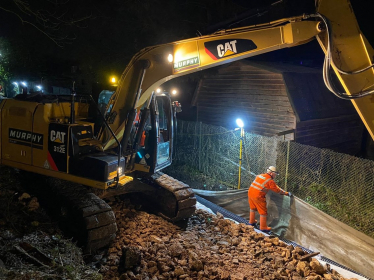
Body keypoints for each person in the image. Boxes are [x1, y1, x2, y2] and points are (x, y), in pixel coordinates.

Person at [248, 166, 291, 232]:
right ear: (271, 173)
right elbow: (277, 190)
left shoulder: (260, 175)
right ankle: (263, 227)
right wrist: (286, 193)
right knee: (263, 212)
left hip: (250, 193)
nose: (275, 175)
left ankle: (251, 221)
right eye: (275, 174)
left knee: (252, 208)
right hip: (258, 196)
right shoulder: (270, 181)